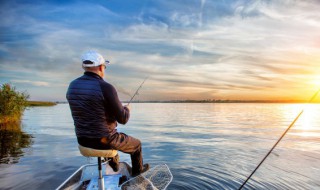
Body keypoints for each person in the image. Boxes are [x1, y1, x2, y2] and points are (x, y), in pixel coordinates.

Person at [66, 50, 149, 176]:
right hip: (104, 141)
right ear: (100, 67)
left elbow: (91, 110)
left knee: (109, 133)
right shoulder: (106, 87)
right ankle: (138, 175)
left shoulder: (72, 86)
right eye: (104, 67)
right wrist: (127, 109)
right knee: (136, 145)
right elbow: (123, 119)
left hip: (82, 140)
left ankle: (114, 163)